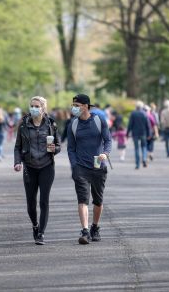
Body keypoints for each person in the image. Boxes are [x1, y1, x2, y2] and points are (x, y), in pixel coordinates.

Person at [14, 96, 61, 245]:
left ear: (43, 108)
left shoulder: (51, 123)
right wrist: (17, 162)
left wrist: (55, 149)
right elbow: (17, 147)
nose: (33, 108)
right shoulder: (23, 124)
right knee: (31, 203)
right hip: (29, 167)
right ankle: (35, 225)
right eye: (32, 105)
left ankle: (41, 233)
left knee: (44, 201)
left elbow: (59, 145)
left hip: (47, 166)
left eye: (36, 106)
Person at [67, 94, 112, 244]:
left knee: (98, 200)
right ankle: (85, 231)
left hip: (99, 167)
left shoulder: (99, 120)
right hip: (81, 167)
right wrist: (74, 165)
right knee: (83, 199)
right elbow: (71, 148)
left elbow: (108, 140)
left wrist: (105, 153)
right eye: (73, 105)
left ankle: (95, 227)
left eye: (77, 105)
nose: (74, 108)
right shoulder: (73, 124)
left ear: (86, 106)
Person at [127, 101, 151, 169]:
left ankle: (137, 164)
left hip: (135, 134)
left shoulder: (133, 113)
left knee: (136, 149)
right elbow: (148, 125)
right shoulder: (144, 114)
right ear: (142, 106)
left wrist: (127, 133)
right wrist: (149, 134)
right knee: (144, 147)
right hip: (143, 133)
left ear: (136, 106)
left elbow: (130, 124)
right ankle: (144, 159)